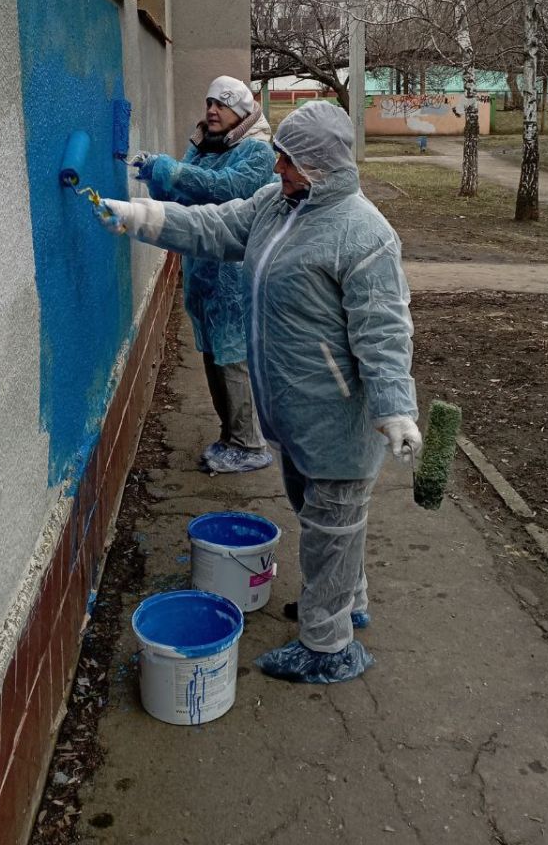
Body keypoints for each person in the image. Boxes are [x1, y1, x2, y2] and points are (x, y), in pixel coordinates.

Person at [93, 100, 422, 685]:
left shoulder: (363, 233)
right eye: (279, 156)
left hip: (340, 418)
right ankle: (348, 599)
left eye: (290, 160)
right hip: (293, 412)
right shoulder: (278, 205)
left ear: (322, 164)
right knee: (322, 518)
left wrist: (396, 409)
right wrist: (140, 216)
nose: (278, 168)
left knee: (331, 525)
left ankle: (329, 646)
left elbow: (385, 328)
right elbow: (215, 226)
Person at [131, 75, 276, 475]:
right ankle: (230, 436)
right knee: (212, 356)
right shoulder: (203, 147)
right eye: (209, 102)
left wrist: (173, 172)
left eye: (222, 104)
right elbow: (183, 198)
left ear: (242, 112)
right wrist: (156, 179)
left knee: (232, 358)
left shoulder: (258, 152)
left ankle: (249, 443)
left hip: (232, 274)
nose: (211, 110)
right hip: (202, 273)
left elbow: (226, 188)